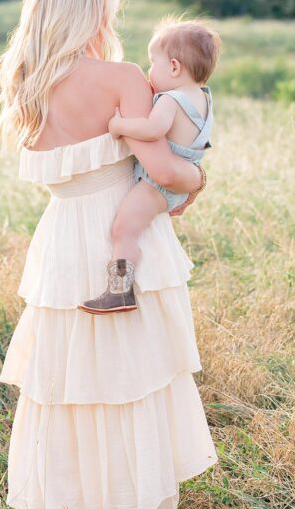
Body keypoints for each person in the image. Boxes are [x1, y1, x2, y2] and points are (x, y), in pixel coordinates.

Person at [0, 0, 219, 509]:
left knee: (71, 386)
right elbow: (165, 168)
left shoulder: (27, 86)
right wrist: (199, 182)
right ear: (91, 15)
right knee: (130, 379)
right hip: (122, 238)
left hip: (64, 242)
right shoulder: (120, 78)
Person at [79, 17, 221, 315]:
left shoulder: (171, 99)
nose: (148, 72)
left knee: (123, 230)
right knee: (131, 228)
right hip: (180, 181)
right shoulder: (203, 98)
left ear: (173, 67)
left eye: (151, 64)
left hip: (157, 184)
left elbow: (153, 129)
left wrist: (120, 125)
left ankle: (120, 290)